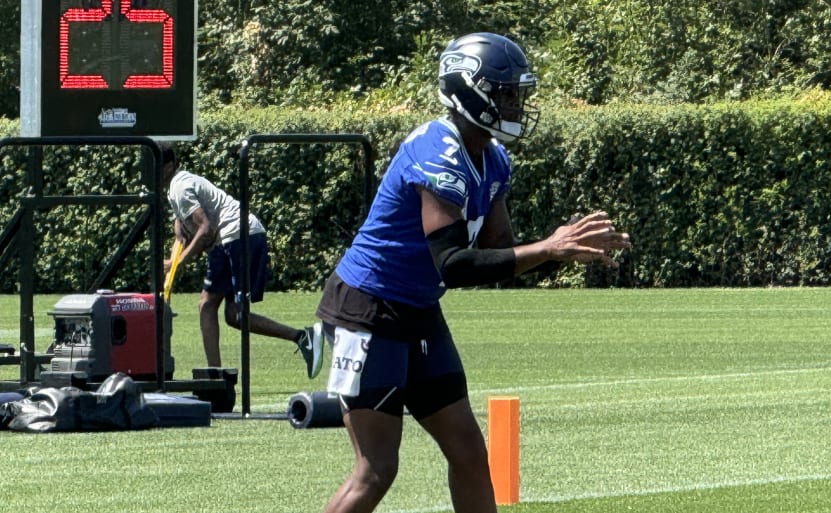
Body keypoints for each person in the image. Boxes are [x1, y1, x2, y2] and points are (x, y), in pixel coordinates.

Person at [314, 33, 632, 513]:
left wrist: (562, 249)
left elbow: (499, 251)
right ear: (470, 90)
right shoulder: (436, 152)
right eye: (505, 93)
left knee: (467, 450)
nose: (516, 103)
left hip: (418, 309)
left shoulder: (494, 158)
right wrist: (548, 247)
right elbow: (455, 265)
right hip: (367, 309)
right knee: (376, 469)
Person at [159, 143, 323, 378]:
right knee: (221, 310)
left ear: (168, 166)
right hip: (233, 237)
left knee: (222, 310)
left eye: (153, 163)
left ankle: (300, 338)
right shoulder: (175, 187)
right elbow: (185, 225)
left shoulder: (180, 187)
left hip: (238, 235)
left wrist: (178, 263)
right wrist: (179, 237)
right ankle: (216, 375)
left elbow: (205, 228)